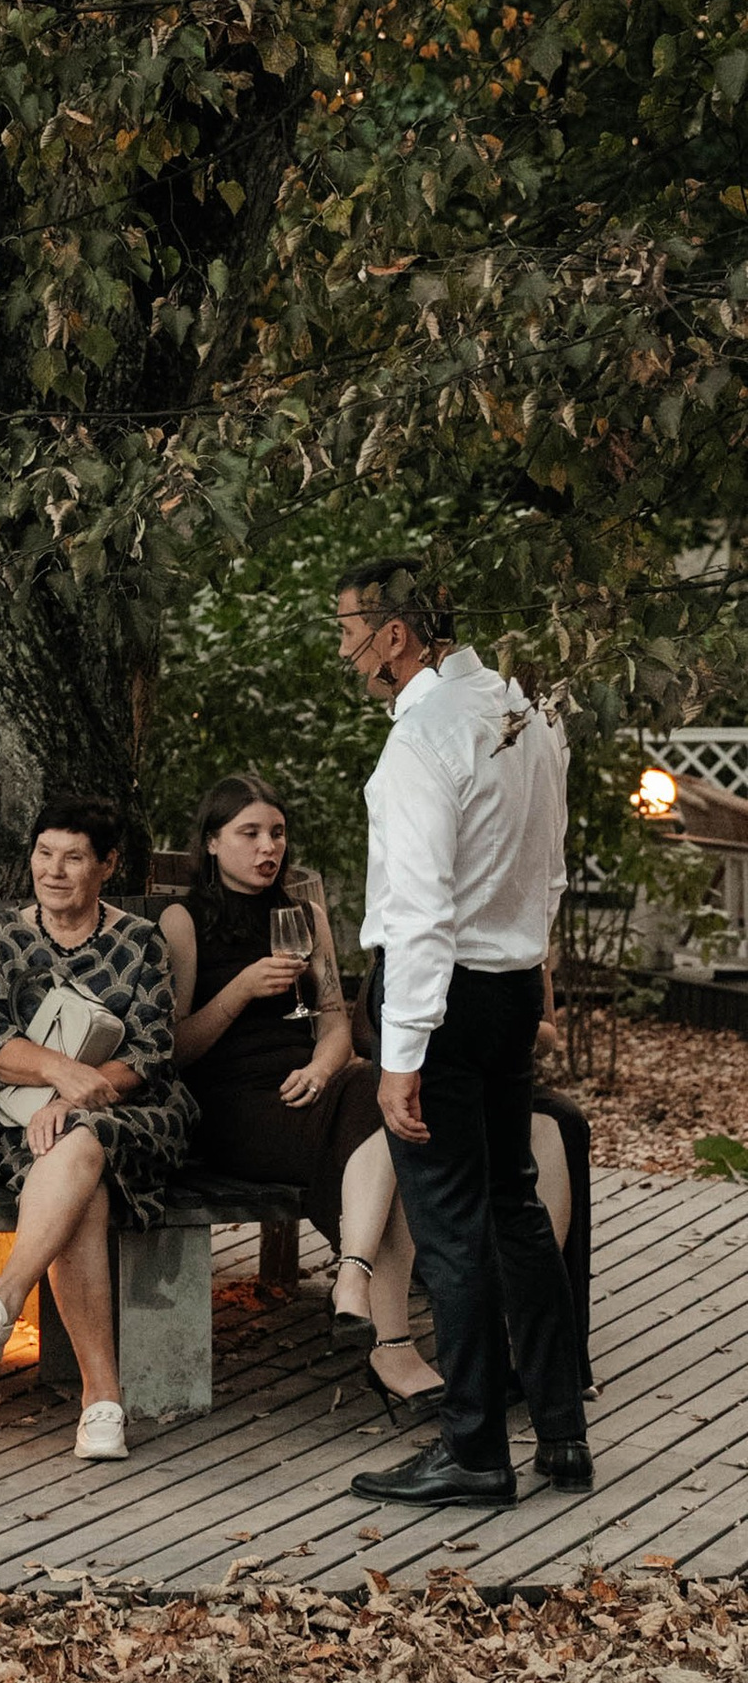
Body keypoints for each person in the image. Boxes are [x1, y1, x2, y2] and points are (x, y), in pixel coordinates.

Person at [333, 557, 588, 1513]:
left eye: (349, 629)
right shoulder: (527, 712)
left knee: (449, 1230)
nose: (346, 652)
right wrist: (537, 971)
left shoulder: (423, 738)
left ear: (396, 635)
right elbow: (553, 871)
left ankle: (475, 1449)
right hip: (511, 987)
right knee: (514, 1207)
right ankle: (561, 1430)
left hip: (438, 1000)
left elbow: (421, 914)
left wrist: (400, 1054)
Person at [159, 774, 440, 1422]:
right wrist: (240, 990)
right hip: (232, 1106)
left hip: (308, 1086)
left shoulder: (302, 915)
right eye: (249, 834)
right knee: (389, 1131)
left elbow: (335, 1022)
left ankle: (356, 1279)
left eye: (277, 834)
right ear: (211, 842)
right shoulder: (185, 920)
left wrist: (320, 1067)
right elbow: (175, 1047)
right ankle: (387, 1334)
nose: (267, 848)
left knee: (380, 1094)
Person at [0, 800, 196, 1463]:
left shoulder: (140, 940)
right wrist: (58, 1077)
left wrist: (76, 1096)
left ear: (106, 866)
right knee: (79, 1180)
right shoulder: (4, 936)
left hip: (136, 1115)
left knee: (79, 1138)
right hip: (29, 1123)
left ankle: (4, 1295)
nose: (53, 870)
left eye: (74, 857)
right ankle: (102, 1404)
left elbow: (149, 1051)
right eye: (44, 853)